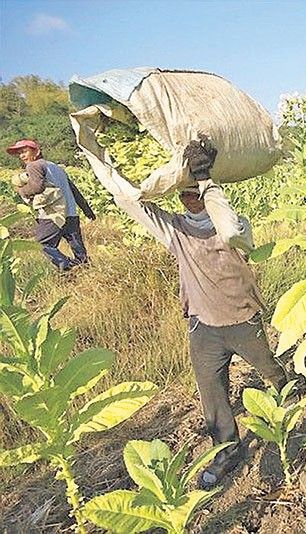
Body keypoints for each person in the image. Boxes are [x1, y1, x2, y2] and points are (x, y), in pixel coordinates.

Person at [99, 137, 287, 489]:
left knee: (271, 372)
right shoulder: (175, 229)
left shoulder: (236, 224)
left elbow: (230, 228)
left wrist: (205, 178)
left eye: (196, 194)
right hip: (203, 326)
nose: (191, 200)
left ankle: (289, 404)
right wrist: (99, 157)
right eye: (184, 194)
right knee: (212, 393)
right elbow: (129, 202)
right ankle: (228, 452)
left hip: (243, 320)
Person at [6, 139, 95, 271]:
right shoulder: (56, 167)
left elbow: (36, 187)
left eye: (24, 151)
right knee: (78, 250)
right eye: (19, 153)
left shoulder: (34, 165)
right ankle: (86, 271)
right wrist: (88, 211)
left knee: (43, 243)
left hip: (53, 214)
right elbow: (74, 190)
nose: (22, 156)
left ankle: (67, 267)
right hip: (71, 213)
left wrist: (21, 191)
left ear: (36, 151)